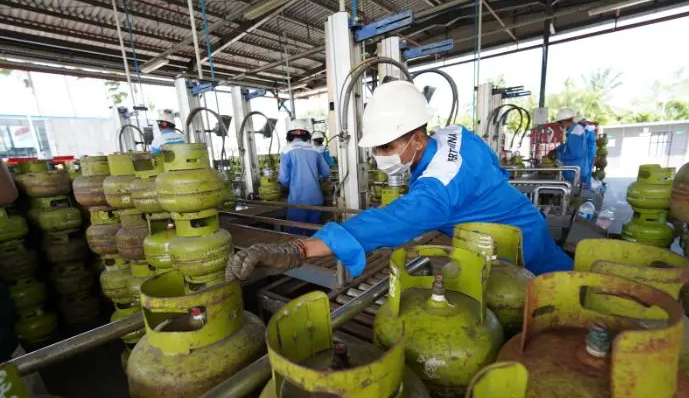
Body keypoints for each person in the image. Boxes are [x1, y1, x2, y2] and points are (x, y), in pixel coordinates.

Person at [226, 81, 573, 281]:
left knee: (554, 299)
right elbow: (492, 170)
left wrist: (299, 249)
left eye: (387, 147)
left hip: (515, 251)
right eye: (377, 148)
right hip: (528, 223)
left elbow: (389, 221)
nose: (380, 155)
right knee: (568, 276)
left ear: (418, 139)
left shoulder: (437, 189)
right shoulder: (456, 135)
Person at [279, 119, 330, 235]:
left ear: (289, 135)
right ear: (307, 134)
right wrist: (315, 179)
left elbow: (283, 179)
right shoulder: (315, 150)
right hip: (316, 200)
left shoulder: (286, 151)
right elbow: (326, 172)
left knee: (294, 237)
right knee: (315, 235)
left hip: (297, 201)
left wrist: (292, 184)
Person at [552, 108, 586, 184]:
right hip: (575, 168)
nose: (561, 126)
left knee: (573, 190)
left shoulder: (575, 133)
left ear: (564, 122)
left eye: (560, 123)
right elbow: (569, 145)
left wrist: (558, 156)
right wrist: (557, 149)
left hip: (573, 171)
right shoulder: (575, 129)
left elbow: (575, 154)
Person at [575, 114, 596, 184]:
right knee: (587, 169)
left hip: (588, 152)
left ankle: (585, 185)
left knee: (586, 169)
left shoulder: (587, 129)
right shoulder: (588, 128)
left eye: (578, 123)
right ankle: (586, 184)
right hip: (589, 151)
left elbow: (582, 139)